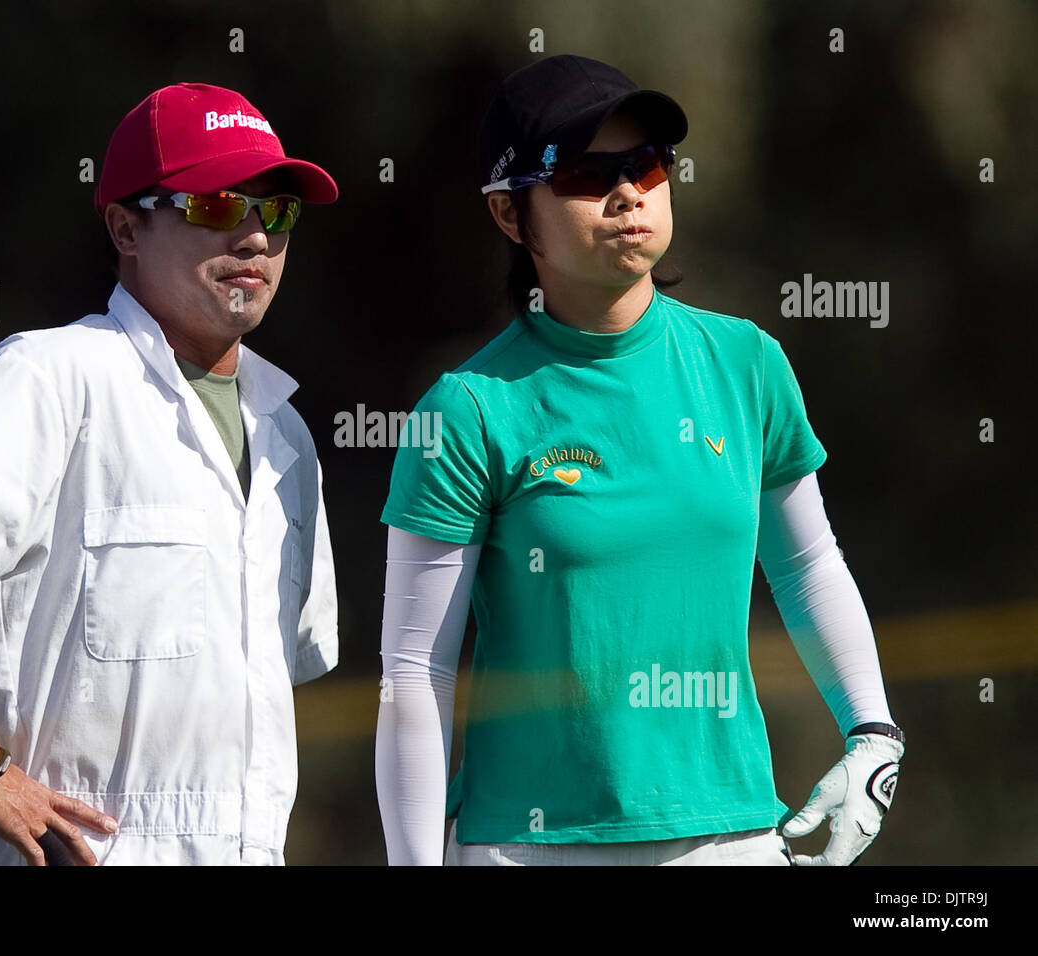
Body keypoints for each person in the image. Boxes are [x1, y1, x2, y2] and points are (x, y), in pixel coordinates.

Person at [374, 55, 904, 866]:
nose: (628, 192)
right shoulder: (467, 408)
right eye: (587, 174)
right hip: (533, 848)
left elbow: (806, 564)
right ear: (511, 217)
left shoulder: (746, 362)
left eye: (645, 164)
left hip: (738, 837)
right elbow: (416, 669)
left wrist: (873, 731)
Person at [0, 82, 340, 865]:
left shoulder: (286, 435)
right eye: (216, 206)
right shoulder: (55, 374)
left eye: (275, 211)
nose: (254, 237)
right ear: (124, 226)